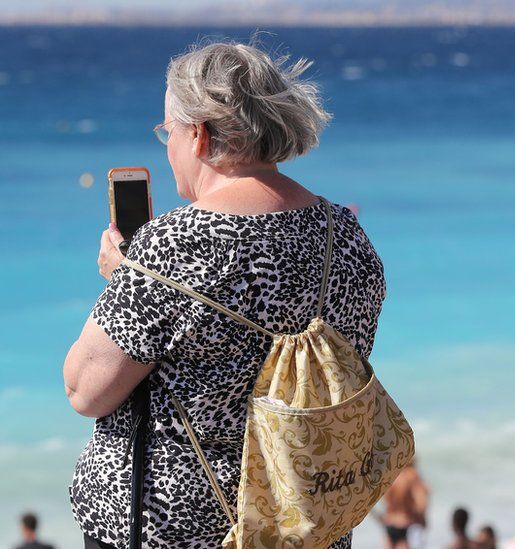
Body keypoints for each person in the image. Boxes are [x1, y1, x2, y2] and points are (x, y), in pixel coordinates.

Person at [63, 40, 385, 548]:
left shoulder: (173, 244)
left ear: (198, 134)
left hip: (174, 528)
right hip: (306, 520)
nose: (166, 145)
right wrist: (138, 281)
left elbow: (86, 390)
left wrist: (129, 279)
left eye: (167, 130)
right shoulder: (346, 236)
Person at [382, 460, 430, 549]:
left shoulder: (392, 475)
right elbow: (421, 504)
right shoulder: (412, 475)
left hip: (390, 523)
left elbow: (385, 499)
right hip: (406, 525)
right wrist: (422, 520)